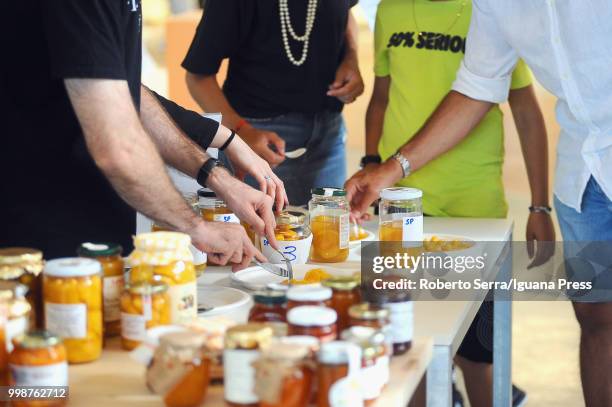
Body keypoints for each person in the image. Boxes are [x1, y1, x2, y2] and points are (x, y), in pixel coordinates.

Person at [346, 1, 612, 405]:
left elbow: (521, 106)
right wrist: (389, 169)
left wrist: (536, 206)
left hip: (485, 199)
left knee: (481, 349)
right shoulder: (493, 6)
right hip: (583, 173)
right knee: (597, 319)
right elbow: (478, 85)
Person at [0, 0, 287, 269]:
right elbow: (117, 149)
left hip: (97, 230)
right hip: (43, 240)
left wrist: (217, 172)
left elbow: (123, 89)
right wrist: (196, 227)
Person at [182, 0, 365, 205]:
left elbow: (345, 13)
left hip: (329, 134)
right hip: (259, 137)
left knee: (328, 232)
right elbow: (198, 77)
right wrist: (240, 130)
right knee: (257, 234)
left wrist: (351, 56)